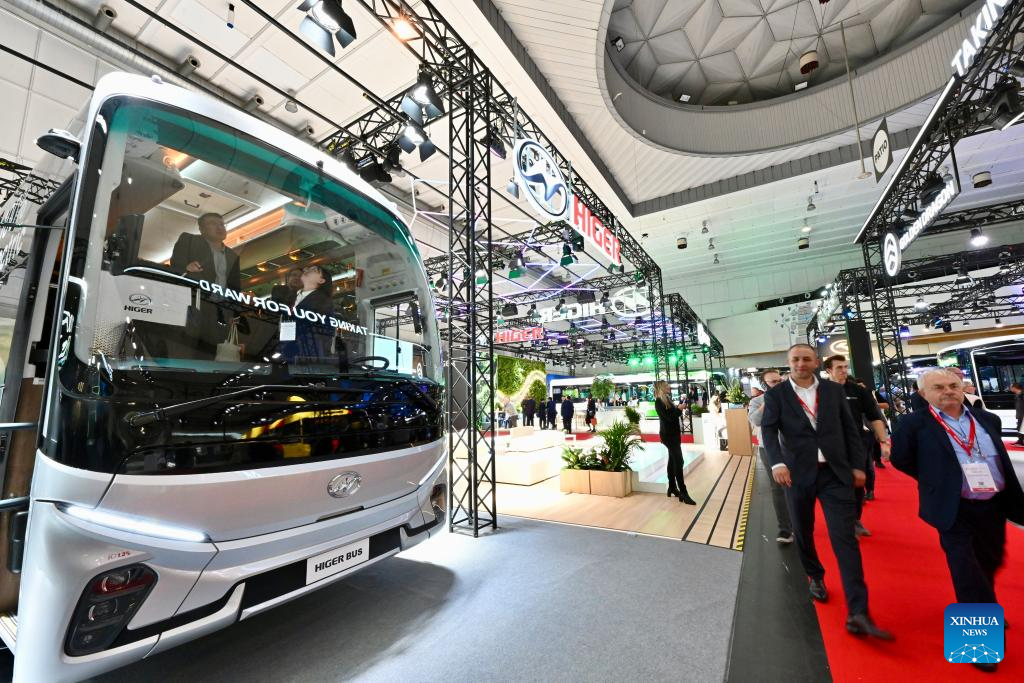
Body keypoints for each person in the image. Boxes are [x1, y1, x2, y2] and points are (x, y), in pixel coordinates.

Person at [890, 368, 1024, 671]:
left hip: (994, 505)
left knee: (989, 562)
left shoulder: (987, 419)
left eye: (953, 385)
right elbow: (901, 459)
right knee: (967, 571)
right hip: (954, 508)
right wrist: (937, 482)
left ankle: (986, 606)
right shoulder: (913, 424)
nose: (948, 391)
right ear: (923, 394)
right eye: (938, 387)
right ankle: (977, 647)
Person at [761, 343, 892, 640]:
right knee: (803, 531)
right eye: (795, 359)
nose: (801, 363)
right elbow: (768, 430)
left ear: (816, 362)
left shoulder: (833, 391)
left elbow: (850, 429)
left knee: (845, 539)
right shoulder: (777, 395)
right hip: (796, 474)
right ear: (788, 362)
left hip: (835, 474)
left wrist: (857, 466)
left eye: (806, 358)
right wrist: (777, 463)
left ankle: (858, 612)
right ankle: (815, 575)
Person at [824, 355, 890, 526]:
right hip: (829, 446)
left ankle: (855, 520)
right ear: (829, 370)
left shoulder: (858, 391)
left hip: (856, 443)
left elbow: (874, 417)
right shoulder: (820, 391)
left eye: (845, 367)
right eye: (839, 367)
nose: (844, 370)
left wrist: (884, 442)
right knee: (834, 485)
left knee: (858, 482)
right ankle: (842, 521)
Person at [170, 213, 241, 358]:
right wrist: (186, 268)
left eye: (222, 224)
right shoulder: (190, 240)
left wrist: (234, 312)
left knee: (213, 353)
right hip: (195, 306)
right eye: (213, 223)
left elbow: (235, 287)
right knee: (187, 349)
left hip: (221, 311)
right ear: (201, 229)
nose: (220, 227)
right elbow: (175, 266)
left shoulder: (232, 256)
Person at [747, 368, 793, 544]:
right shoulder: (757, 401)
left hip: (792, 448)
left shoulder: (791, 397)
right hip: (768, 448)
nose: (778, 384)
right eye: (773, 382)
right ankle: (785, 529)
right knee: (778, 487)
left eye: (779, 381)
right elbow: (755, 420)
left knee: (797, 486)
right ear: (764, 384)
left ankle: (799, 522)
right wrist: (768, 401)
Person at [654, 380, 696, 504]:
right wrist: (679, 409)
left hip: (673, 435)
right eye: (666, 386)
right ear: (661, 388)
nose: (669, 387)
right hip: (668, 436)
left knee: (672, 461)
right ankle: (683, 492)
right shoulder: (659, 402)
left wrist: (678, 408)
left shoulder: (667, 399)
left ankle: (672, 487)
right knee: (679, 461)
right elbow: (669, 418)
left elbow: (671, 415)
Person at [282, 264, 335, 362]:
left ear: (321, 280)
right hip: (289, 354)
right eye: (308, 268)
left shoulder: (323, 301)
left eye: (314, 270)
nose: (306, 269)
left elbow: (322, 334)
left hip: (308, 357)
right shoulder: (291, 298)